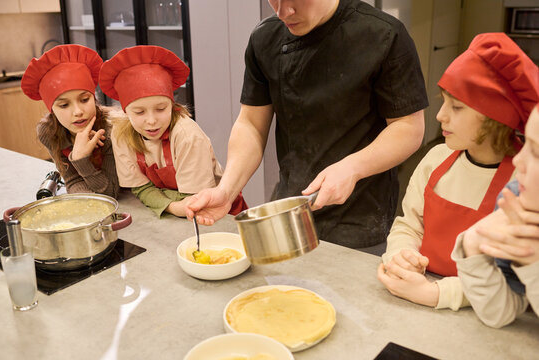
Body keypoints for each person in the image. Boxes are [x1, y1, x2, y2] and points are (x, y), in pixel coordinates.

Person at [186, 0, 428, 252]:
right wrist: (227, 189)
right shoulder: (264, 38)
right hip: (291, 208)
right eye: (274, 0)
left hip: (360, 217)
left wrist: (352, 168)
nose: (283, 12)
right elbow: (250, 124)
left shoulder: (384, 34)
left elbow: (408, 128)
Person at [378, 33, 539, 311]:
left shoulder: (523, 183)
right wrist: (401, 255)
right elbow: (409, 225)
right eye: (443, 102)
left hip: (477, 311)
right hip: (417, 292)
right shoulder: (435, 159)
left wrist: (439, 293)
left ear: (493, 118)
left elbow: (510, 287)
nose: (440, 115)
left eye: (457, 107)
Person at [99, 45, 247, 218]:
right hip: (176, 215)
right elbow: (140, 188)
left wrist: (159, 197)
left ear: (172, 105)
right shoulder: (121, 135)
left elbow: (193, 201)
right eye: (139, 112)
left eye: (161, 109)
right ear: (125, 111)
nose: (152, 120)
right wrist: (173, 206)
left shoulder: (187, 135)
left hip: (223, 214)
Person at [451, 104, 539, 328]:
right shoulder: (517, 199)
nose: (519, 160)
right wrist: (472, 245)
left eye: (537, 152)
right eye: (524, 140)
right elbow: (499, 313)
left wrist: (534, 266)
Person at [20, 44, 119, 198]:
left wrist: (80, 159)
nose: (78, 111)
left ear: (94, 98)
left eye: (85, 99)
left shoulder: (111, 129)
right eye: (64, 105)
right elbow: (72, 181)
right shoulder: (48, 133)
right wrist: (85, 202)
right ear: (52, 109)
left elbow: (110, 192)